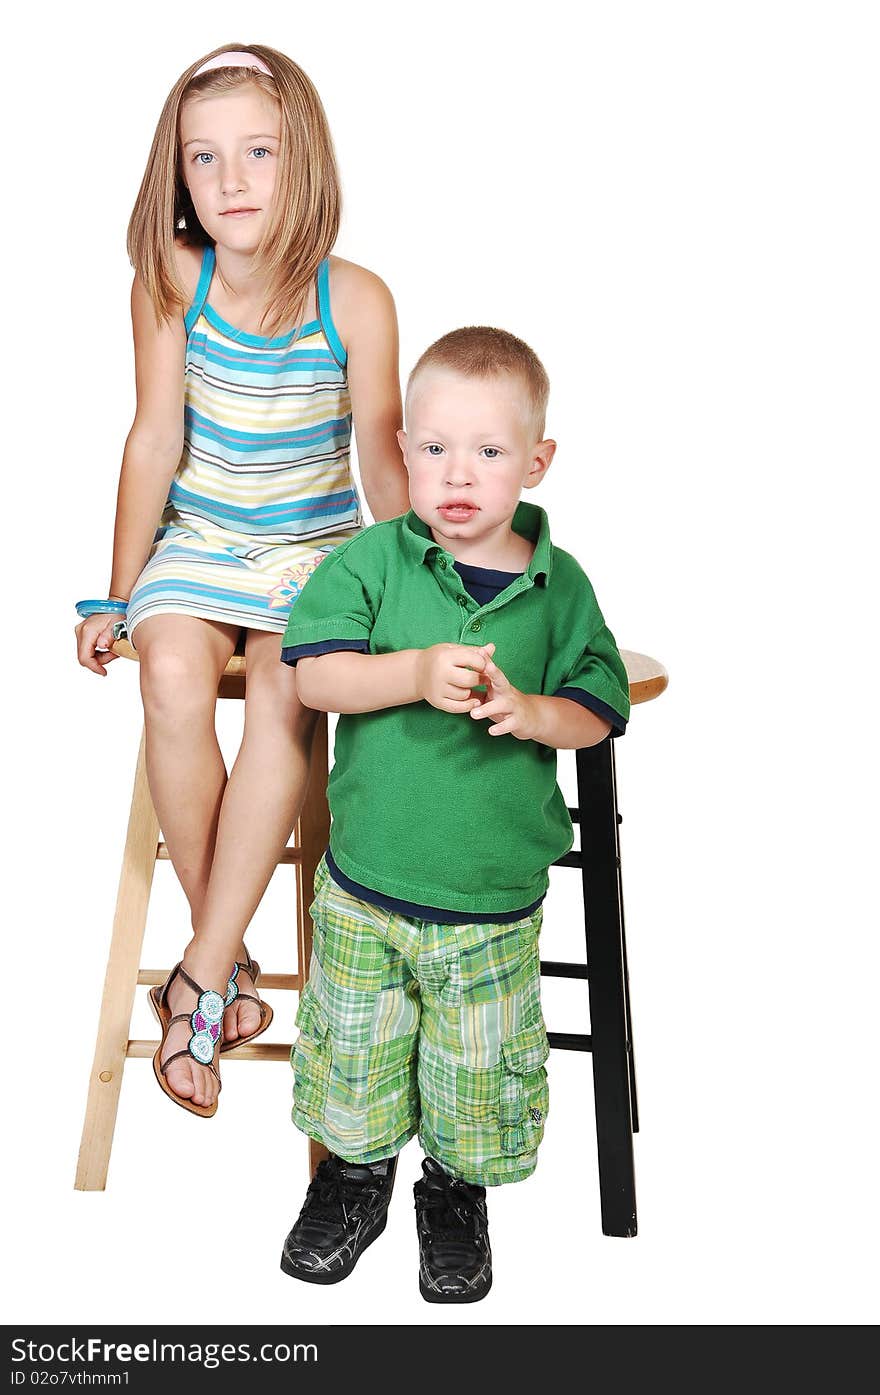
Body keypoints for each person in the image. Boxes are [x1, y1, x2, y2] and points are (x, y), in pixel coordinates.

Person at [73, 43, 408, 1119]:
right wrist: (115, 595)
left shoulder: (354, 299)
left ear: (301, 158)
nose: (229, 182)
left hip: (317, 553)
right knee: (169, 674)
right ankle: (224, 963)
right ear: (177, 176)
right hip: (203, 543)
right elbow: (152, 439)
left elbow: (383, 461)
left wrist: (418, 596)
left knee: (284, 688)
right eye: (203, 158)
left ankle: (199, 981)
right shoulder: (171, 280)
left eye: (257, 152)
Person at [277, 326, 631, 1301]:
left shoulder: (557, 592)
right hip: (369, 884)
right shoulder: (372, 564)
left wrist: (534, 713)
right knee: (355, 1046)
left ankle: (455, 1190)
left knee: (477, 1065)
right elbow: (315, 679)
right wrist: (415, 672)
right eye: (433, 448)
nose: (457, 474)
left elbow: (599, 708)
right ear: (403, 453)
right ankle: (353, 1181)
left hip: (488, 900)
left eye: (487, 451)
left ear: (535, 460)